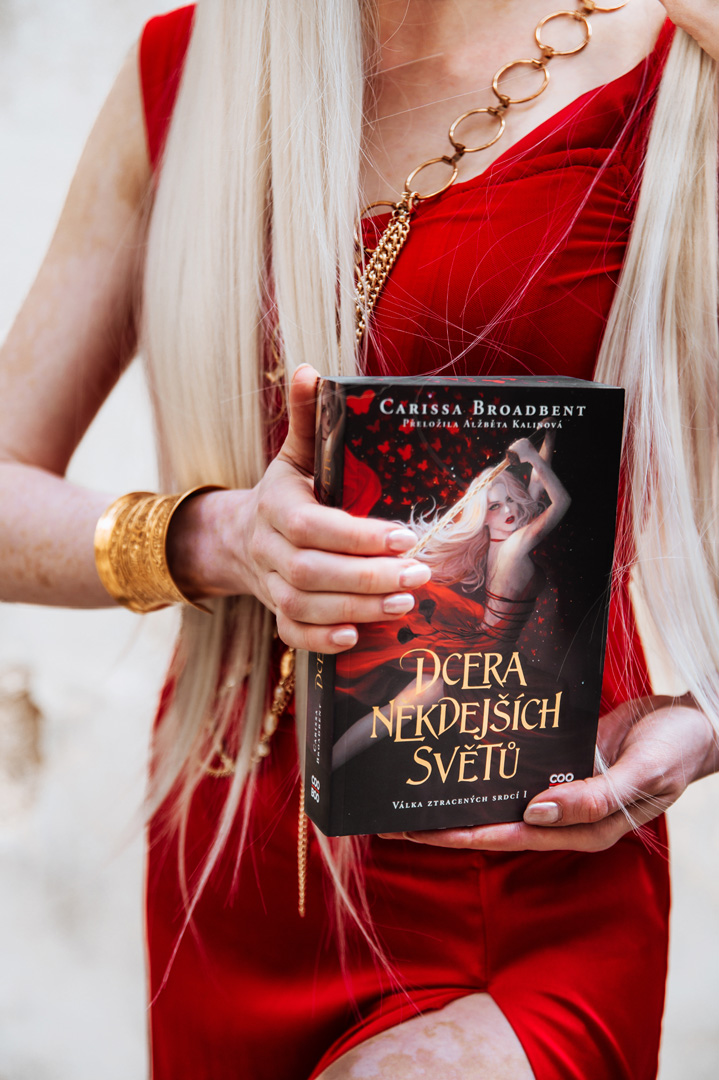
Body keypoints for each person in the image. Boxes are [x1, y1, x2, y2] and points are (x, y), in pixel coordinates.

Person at [1, 1, 718, 1079]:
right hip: (230, 855)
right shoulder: (185, 69)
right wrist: (217, 536)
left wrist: (707, 715)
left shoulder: (681, 65)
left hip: (523, 857)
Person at [332, 432, 571, 769]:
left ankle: (329, 765)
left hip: (481, 644)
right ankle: (328, 766)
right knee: (396, 714)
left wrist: (548, 438)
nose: (509, 509)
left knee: (395, 714)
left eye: (511, 499)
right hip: (481, 653)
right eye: (495, 506)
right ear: (483, 517)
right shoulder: (516, 546)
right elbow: (561, 502)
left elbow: (534, 488)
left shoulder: (511, 536)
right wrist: (531, 454)